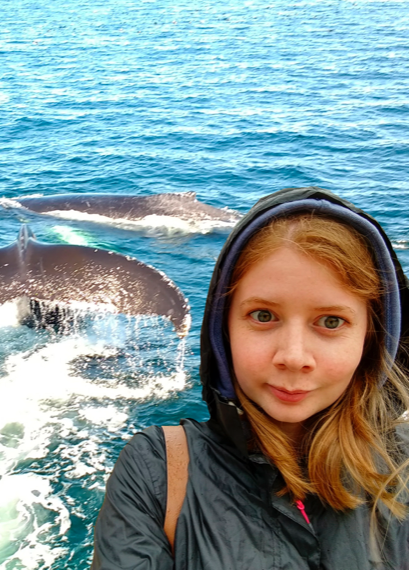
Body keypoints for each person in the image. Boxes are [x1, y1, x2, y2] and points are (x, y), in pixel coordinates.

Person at [91, 187, 409, 569]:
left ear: (373, 339)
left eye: (330, 322)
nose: (293, 357)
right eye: (262, 316)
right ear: (222, 331)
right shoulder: (155, 471)